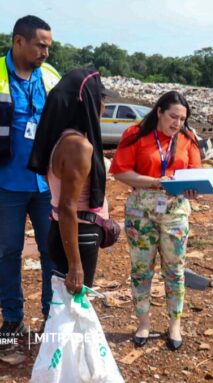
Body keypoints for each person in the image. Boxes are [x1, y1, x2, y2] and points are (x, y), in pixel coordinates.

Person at [110, 91, 201, 350]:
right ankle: (143, 323)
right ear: (159, 111)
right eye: (173, 116)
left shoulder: (188, 138)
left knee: (175, 270)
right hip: (141, 211)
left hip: (175, 210)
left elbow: (195, 173)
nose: (177, 123)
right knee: (141, 270)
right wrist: (153, 182)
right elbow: (120, 172)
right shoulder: (135, 134)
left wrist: (193, 187)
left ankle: (174, 325)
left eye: (182, 119)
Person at [28, 68, 118, 295]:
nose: (104, 107)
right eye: (102, 100)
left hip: (66, 231)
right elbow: (68, 206)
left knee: (66, 306)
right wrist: (76, 265)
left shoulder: (62, 139)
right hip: (80, 234)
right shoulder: (78, 147)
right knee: (76, 307)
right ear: (87, 102)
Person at [0, 15, 60, 340]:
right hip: (6, 185)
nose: (45, 53)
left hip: (46, 185)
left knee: (52, 251)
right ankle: (12, 318)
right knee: (7, 252)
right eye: (40, 45)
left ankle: (52, 319)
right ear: (19, 41)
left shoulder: (50, 76)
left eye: (48, 46)